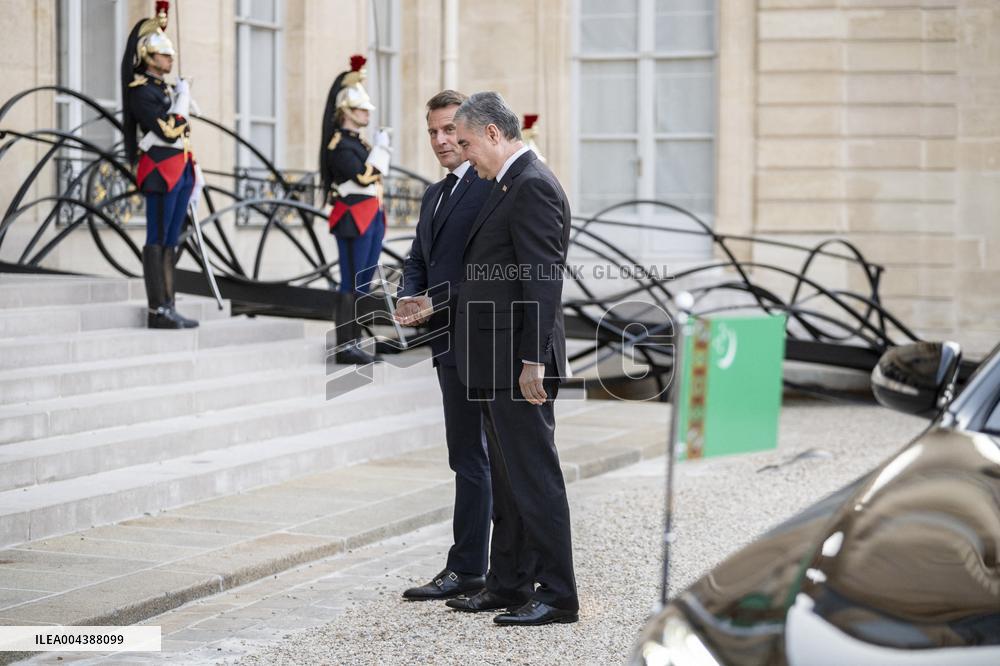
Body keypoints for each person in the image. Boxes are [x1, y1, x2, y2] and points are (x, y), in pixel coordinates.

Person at [445, 92, 578, 626]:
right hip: (495, 360)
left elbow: (542, 280)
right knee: (508, 480)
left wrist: (532, 361)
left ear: (494, 134)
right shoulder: (507, 182)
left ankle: (559, 595)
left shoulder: (531, 185)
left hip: (519, 365)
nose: (463, 154)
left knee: (535, 479)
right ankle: (508, 583)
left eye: (466, 143)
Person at [394, 91, 493, 601]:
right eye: (432, 131)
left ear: (471, 129)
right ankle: (475, 567)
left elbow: (487, 271)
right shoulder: (434, 194)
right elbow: (418, 258)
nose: (441, 140)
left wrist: (434, 299)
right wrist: (408, 295)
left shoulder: (490, 186)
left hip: (484, 340)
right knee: (465, 455)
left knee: (477, 458)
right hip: (446, 342)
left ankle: (474, 568)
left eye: (450, 129)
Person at [121, 0, 202, 329]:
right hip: (159, 172)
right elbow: (167, 130)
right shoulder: (140, 91)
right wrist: (182, 100)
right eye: (164, 55)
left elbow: (183, 131)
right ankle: (157, 310)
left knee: (171, 239)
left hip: (179, 170)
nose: (170, 59)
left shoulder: (164, 89)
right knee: (157, 238)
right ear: (148, 57)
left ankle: (170, 304)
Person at [320, 55, 392, 365]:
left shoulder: (357, 143)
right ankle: (344, 346)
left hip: (370, 214)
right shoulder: (339, 144)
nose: (367, 114)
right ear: (347, 111)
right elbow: (363, 176)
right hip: (353, 216)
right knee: (351, 280)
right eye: (362, 110)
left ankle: (355, 340)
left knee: (364, 281)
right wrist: (381, 151)